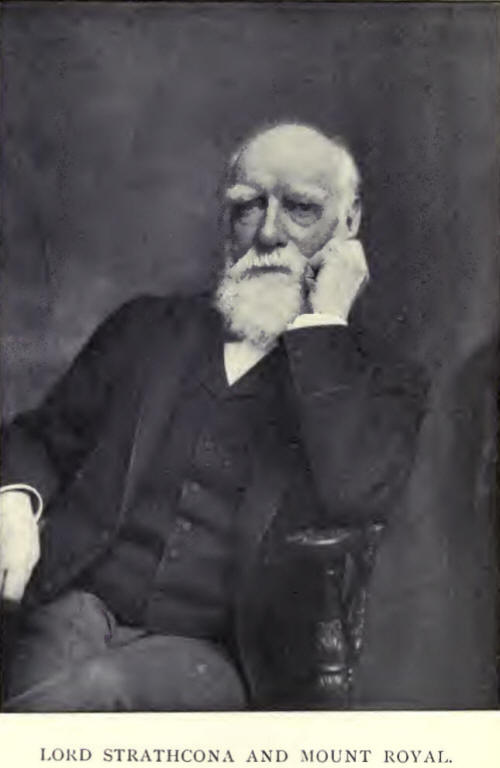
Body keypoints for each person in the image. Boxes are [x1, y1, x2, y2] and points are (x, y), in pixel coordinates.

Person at [0, 122, 428, 711]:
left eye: (301, 208)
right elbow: (40, 439)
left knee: (85, 693)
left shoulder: (379, 378)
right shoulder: (146, 328)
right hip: (77, 605)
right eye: (248, 206)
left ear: (348, 222)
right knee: (48, 677)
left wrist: (323, 324)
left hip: (220, 653)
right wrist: (14, 505)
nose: (269, 232)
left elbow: (354, 493)